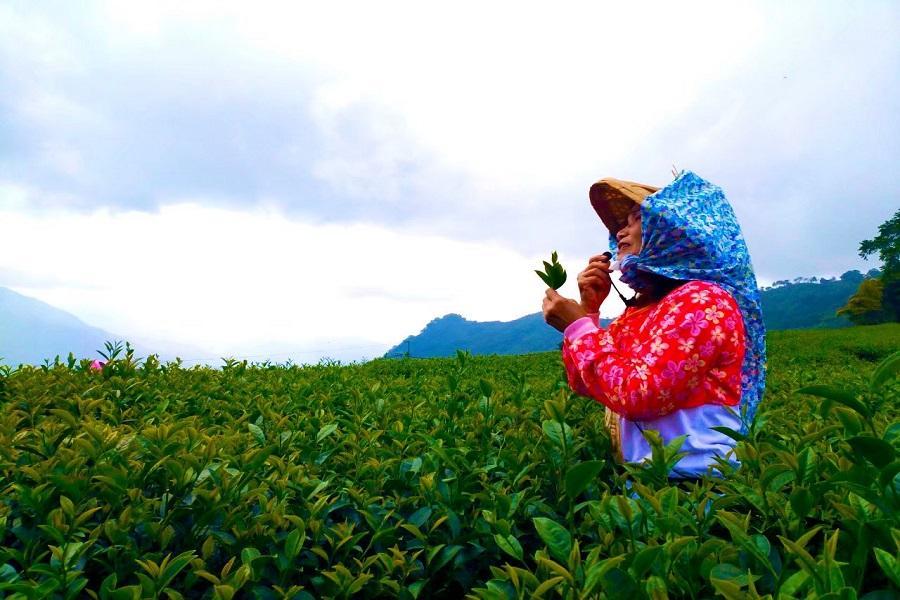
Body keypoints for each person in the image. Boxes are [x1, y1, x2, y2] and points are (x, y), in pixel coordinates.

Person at [541, 171, 766, 479]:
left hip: (696, 485)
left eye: (636, 220)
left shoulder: (703, 301)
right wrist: (589, 310)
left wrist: (579, 327)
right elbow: (588, 382)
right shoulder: (644, 309)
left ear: (671, 232)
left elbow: (640, 394)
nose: (621, 232)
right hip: (650, 481)